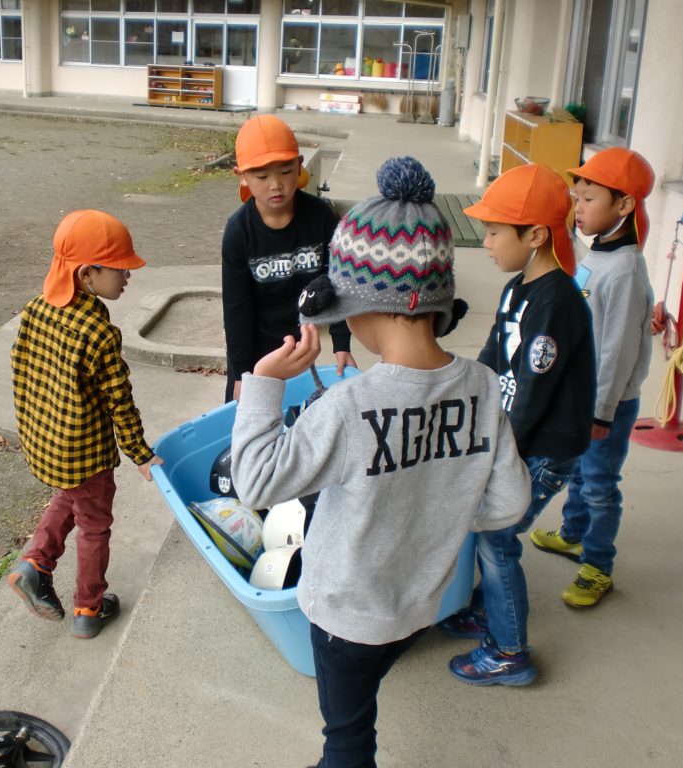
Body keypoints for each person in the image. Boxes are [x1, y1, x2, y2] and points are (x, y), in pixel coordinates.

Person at [230, 157, 531, 768]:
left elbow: (255, 482)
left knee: (347, 739)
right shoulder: (481, 386)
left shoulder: (347, 407)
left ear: (367, 307)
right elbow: (508, 504)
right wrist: (442, 500)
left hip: (346, 616)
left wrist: (262, 382)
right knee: (364, 696)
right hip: (420, 603)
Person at [442, 163, 596, 686]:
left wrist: (494, 455)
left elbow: (533, 396)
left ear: (535, 236)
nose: (485, 242)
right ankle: (489, 608)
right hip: (514, 439)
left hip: (542, 447)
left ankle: (508, 651)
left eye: (494, 232)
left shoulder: (558, 303)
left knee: (497, 536)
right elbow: (490, 359)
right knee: (489, 528)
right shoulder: (517, 288)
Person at [7, 209, 162, 639]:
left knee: (70, 495)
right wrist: (141, 454)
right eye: (119, 269)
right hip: (86, 451)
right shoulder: (97, 331)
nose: (128, 276)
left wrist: (33, 429)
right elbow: (119, 401)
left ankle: (35, 564)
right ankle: (88, 609)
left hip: (47, 442)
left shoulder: (36, 309)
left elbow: (21, 370)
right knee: (94, 523)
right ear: (86, 273)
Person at [530, 148, 655, 607]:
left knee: (599, 483)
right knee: (580, 472)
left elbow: (618, 351)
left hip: (608, 404)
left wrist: (601, 412)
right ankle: (573, 533)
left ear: (624, 205)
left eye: (588, 200)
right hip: (585, 394)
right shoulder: (598, 254)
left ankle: (598, 565)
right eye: (576, 198)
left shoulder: (623, 271)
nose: (577, 208)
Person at [222, 114, 356, 402]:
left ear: (299, 165)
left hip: (302, 350)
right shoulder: (238, 233)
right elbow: (236, 310)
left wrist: (341, 344)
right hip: (255, 356)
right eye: (262, 176)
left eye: (285, 171)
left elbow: (339, 281)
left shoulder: (320, 217)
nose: (276, 184)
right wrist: (242, 374)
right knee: (247, 423)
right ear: (241, 175)